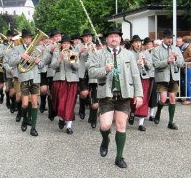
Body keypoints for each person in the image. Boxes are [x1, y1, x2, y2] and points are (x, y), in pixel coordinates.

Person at [88, 27, 143, 168]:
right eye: (111, 36)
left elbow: (136, 75)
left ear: (120, 39)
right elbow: (91, 72)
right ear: (106, 39)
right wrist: (104, 70)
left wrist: (139, 94)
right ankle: (105, 140)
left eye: (116, 36)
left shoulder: (128, 54)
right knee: (105, 125)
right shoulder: (98, 54)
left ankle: (119, 157)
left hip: (124, 95)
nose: (114, 39)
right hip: (106, 94)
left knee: (121, 125)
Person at [9, 29, 45, 137]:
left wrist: (39, 62)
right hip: (24, 77)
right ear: (23, 39)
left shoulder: (37, 49)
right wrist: (21, 56)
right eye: (26, 38)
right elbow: (11, 62)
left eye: (30, 37)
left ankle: (33, 128)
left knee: (34, 102)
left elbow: (42, 65)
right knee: (25, 103)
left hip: (35, 78)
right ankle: (25, 119)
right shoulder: (17, 48)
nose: (28, 39)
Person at [152, 29, 184, 130]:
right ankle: (158, 111)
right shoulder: (157, 50)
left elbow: (182, 63)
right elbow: (155, 64)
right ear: (163, 39)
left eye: (171, 38)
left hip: (173, 76)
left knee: (172, 98)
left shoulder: (176, 49)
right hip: (162, 77)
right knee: (162, 99)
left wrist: (176, 59)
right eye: (167, 38)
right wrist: (167, 61)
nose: (169, 40)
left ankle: (171, 122)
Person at [50, 35, 79, 134]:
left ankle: (69, 126)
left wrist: (71, 59)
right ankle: (62, 118)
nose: (66, 45)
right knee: (60, 103)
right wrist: (60, 59)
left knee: (70, 103)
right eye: (64, 43)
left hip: (72, 81)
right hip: (60, 80)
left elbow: (76, 67)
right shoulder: (56, 53)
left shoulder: (73, 53)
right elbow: (53, 66)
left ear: (70, 44)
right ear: (61, 44)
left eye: (68, 43)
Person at [128, 35, 152, 131]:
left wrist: (145, 61)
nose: (138, 44)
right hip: (133, 78)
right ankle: (132, 112)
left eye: (139, 42)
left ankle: (141, 123)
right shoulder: (128, 53)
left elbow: (150, 67)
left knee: (144, 99)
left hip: (144, 77)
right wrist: (135, 62)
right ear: (132, 44)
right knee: (132, 98)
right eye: (136, 42)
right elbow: (126, 67)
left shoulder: (145, 53)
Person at [176, 36, 191, 105]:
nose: (179, 42)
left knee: (187, 83)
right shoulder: (183, 48)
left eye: (181, 41)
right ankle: (186, 97)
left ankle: (189, 99)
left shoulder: (188, 47)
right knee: (183, 82)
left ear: (184, 41)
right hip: (184, 67)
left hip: (188, 67)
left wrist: (183, 61)